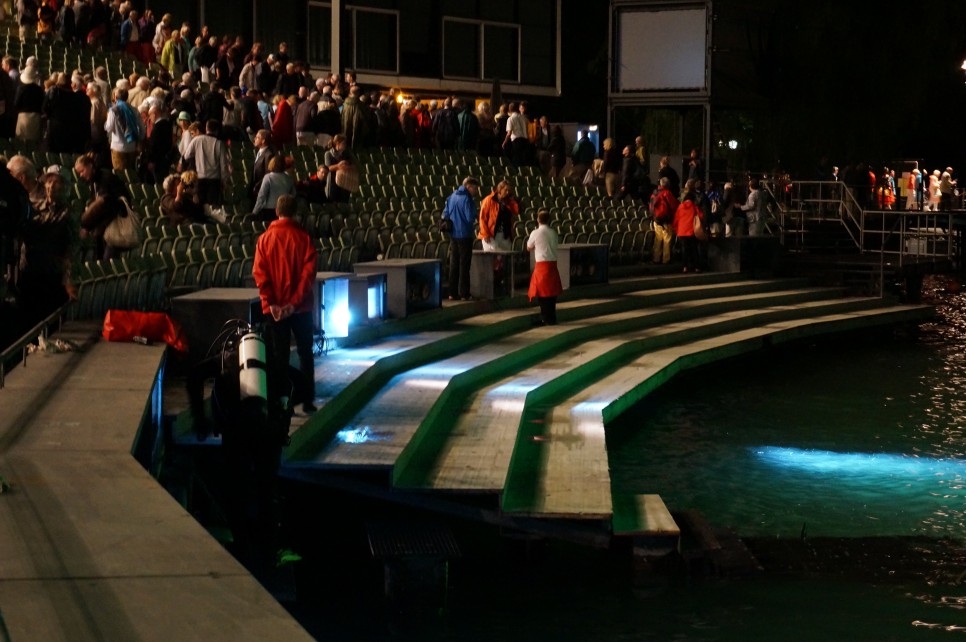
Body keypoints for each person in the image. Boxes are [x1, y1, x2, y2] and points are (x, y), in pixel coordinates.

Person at [251, 194, 318, 414]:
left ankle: (283, 403)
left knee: (279, 357)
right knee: (305, 353)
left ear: (277, 212)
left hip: (275, 310)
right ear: (295, 212)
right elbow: (308, 276)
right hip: (301, 308)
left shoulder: (264, 239)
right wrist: (294, 303)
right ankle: (307, 401)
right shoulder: (304, 238)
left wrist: (272, 304)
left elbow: (260, 274)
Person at [441, 176, 480, 301]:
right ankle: (464, 293)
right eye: (475, 189)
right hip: (465, 235)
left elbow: (445, 214)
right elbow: (470, 217)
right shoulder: (467, 199)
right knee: (464, 265)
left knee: (454, 264)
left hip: (453, 235)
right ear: (469, 186)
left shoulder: (451, 197)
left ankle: (452, 293)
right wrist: (475, 218)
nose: (476, 192)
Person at [180, 119, 231, 208]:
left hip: (200, 179)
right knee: (213, 208)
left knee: (200, 206)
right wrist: (224, 181)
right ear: (217, 130)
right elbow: (223, 165)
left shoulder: (197, 140)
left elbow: (187, 155)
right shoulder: (219, 143)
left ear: (206, 128)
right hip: (214, 180)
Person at [526, 208, 563, 326]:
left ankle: (545, 318)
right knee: (552, 294)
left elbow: (528, 247)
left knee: (542, 294)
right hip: (552, 265)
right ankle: (552, 317)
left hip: (542, 265)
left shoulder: (535, 233)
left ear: (538, 220)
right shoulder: (553, 232)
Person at [478, 180, 519, 252]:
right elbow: (482, 218)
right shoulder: (489, 200)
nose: (507, 192)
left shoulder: (509, 202)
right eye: (506, 190)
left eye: (509, 190)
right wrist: (485, 233)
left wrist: (512, 201)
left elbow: (516, 212)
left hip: (505, 235)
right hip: (491, 234)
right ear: (500, 189)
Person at [252, 155, 295, 222]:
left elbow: (261, 196)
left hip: (269, 211)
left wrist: (254, 212)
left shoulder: (268, 177)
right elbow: (293, 195)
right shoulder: (289, 178)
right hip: (284, 211)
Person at [649, 177, 678, 264]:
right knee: (667, 239)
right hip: (666, 220)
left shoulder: (654, 193)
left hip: (656, 220)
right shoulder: (667, 193)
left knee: (658, 239)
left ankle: (656, 258)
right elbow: (673, 206)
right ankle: (666, 259)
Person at [673, 189, 703, 273]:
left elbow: (676, 220)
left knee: (684, 250)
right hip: (692, 231)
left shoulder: (680, 207)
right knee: (694, 249)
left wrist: (676, 230)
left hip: (681, 231)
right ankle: (696, 267)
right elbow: (701, 216)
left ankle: (685, 267)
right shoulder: (694, 206)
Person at [323, 133, 355, 203]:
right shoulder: (328, 154)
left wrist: (347, 166)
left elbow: (354, 165)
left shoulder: (347, 154)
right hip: (333, 183)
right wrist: (338, 166)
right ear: (337, 143)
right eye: (343, 143)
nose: (345, 145)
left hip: (344, 183)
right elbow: (328, 168)